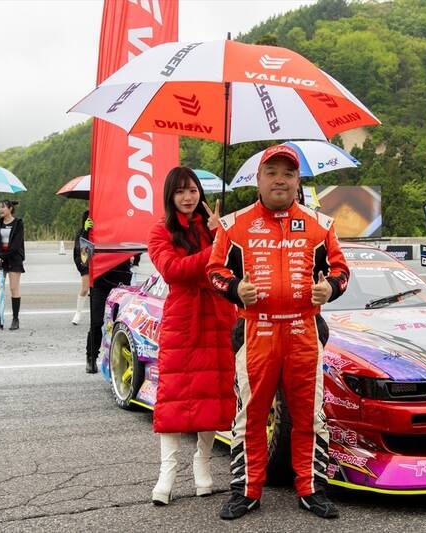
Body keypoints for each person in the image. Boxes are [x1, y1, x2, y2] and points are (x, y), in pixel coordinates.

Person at [207, 145, 350, 520]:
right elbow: (214, 272)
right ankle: (246, 491)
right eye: (272, 173)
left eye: (288, 173)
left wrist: (330, 288)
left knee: (310, 417)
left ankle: (311, 488)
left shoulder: (321, 224)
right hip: (256, 331)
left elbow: (341, 271)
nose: (280, 180)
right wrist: (235, 288)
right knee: (250, 416)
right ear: (258, 179)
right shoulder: (233, 225)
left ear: (297, 180)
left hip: (305, 331)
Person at [147, 167, 235, 505]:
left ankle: (203, 464)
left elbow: (233, 265)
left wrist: (219, 234)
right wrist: (214, 249)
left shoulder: (213, 227)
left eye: (193, 190)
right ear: (170, 196)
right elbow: (173, 270)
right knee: (173, 396)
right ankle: (167, 472)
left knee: (211, 393)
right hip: (183, 319)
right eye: (180, 191)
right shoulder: (160, 230)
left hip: (218, 315)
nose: (188, 197)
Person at [84, 224, 134, 374]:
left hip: (121, 278)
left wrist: (134, 256)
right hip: (100, 279)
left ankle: (119, 360)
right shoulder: (92, 217)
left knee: (121, 323)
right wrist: (85, 232)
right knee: (96, 322)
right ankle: (91, 357)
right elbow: (81, 254)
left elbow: (136, 239)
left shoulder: (125, 219)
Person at [0, 199, 25, 330]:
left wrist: (2, 256)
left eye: (3, 207)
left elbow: (16, 245)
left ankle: (15, 319)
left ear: (10, 208)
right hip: (0, 259)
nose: (0, 209)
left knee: (13, 288)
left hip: (14, 259)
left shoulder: (18, 224)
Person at [71, 211, 90, 325]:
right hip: (86, 261)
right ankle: (78, 313)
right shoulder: (81, 232)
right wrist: (85, 231)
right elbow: (79, 248)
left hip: (99, 261)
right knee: (85, 288)